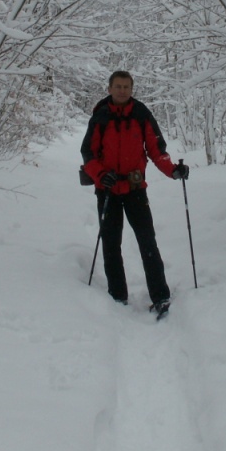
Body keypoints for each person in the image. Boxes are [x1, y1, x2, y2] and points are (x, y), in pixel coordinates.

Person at [81, 70, 189, 318]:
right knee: (111, 243)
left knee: (147, 241)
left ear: (132, 89)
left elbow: (156, 150)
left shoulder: (142, 114)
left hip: (135, 189)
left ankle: (160, 297)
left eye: (126, 87)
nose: (122, 91)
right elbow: (88, 153)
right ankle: (117, 296)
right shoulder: (100, 116)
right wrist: (100, 175)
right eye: (118, 86)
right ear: (109, 88)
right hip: (107, 189)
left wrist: (173, 170)